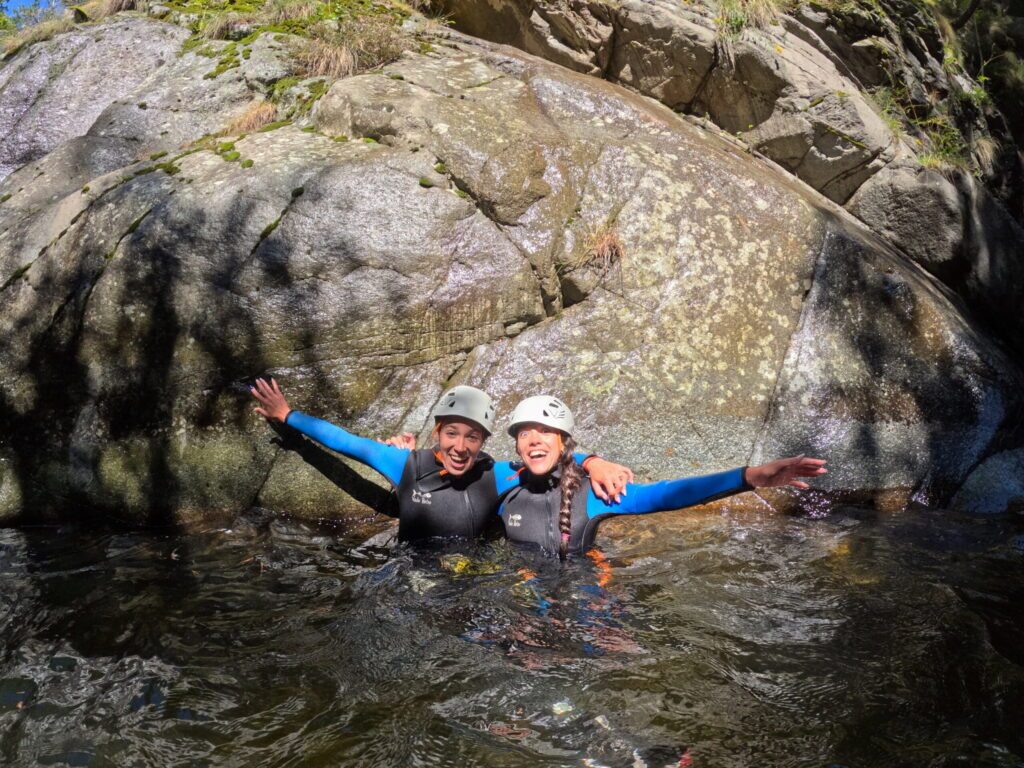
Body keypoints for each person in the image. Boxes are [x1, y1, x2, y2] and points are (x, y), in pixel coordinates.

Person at [248, 379, 633, 542]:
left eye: (472, 437)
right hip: (411, 576)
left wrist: (592, 461)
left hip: (473, 580)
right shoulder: (407, 465)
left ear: (483, 442)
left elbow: (547, 460)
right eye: (452, 434)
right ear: (437, 434)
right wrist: (287, 415)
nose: (461, 446)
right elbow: (347, 443)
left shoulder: (495, 473)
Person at [499, 395, 828, 559]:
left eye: (545, 431)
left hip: (583, 603)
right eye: (525, 433)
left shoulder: (593, 493)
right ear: (516, 443)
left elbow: (667, 495)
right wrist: (592, 460)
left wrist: (750, 477)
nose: (534, 440)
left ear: (563, 441)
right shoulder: (502, 480)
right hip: (524, 598)